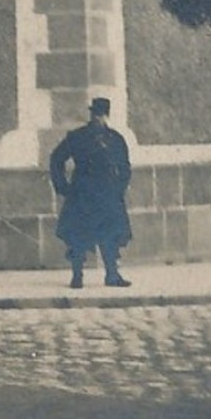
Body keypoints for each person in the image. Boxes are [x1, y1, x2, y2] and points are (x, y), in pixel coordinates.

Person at [48, 96, 134, 289]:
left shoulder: (115, 139)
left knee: (110, 235)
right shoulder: (77, 136)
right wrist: (63, 187)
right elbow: (56, 159)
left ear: (107, 116)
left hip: (108, 194)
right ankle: (77, 276)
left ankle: (112, 275)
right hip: (83, 192)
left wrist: (119, 188)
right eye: (96, 114)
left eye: (102, 115)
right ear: (91, 114)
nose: (99, 118)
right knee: (78, 237)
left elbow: (125, 167)